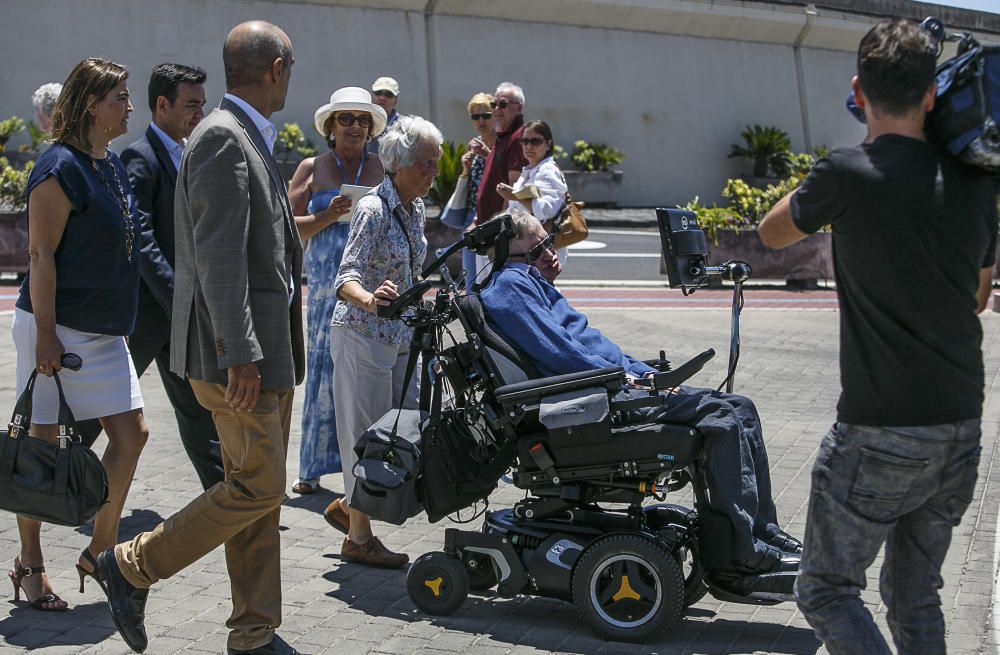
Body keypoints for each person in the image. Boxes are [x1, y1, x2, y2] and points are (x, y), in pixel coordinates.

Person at [759, 19, 997, 655]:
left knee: (826, 589)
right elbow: (977, 298)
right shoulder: (977, 184)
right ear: (930, 95)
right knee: (915, 592)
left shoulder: (846, 173)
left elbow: (771, 232)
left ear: (858, 90)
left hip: (878, 430)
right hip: (959, 426)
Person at [94, 21, 305, 655]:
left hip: (262, 353)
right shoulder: (222, 138)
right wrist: (240, 350)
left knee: (255, 496)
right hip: (239, 358)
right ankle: (130, 566)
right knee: (257, 488)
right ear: (274, 68)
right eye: (290, 67)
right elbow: (218, 258)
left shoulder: (242, 136)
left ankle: (252, 631)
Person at [479, 210, 802, 599]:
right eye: (540, 248)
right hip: (590, 403)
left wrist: (644, 375)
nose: (552, 252)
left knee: (740, 406)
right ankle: (744, 554)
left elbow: (598, 348)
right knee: (722, 415)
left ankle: (761, 533)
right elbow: (562, 355)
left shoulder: (533, 283)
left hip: (609, 388)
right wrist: (629, 381)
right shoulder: (510, 287)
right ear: (510, 253)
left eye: (551, 242)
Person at [9, 58, 146, 612]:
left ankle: (101, 549)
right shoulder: (58, 167)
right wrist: (46, 337)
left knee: (132, 435)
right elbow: (41, 257)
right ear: (92, 104)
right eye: (121, 97)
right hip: (55, 328)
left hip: (105, 334)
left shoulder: (108, 163)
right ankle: (30, 563)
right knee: (40, 453)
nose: (129, 106)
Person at [75, 63, 225, 491]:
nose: (200, 114)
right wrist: (181, 297)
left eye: (202, 104)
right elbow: (140, 239)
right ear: (162, 105)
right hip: (145, 316)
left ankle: (228, 501)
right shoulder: (140, 157)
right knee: (94, 416)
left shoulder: (186, 151)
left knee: (199, 415)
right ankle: (48, 484)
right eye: (191, 104)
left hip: (173, 319)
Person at [325, 115, 441, 568]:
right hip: (361, 333)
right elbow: (344, 278)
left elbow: (411, 271)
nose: (434, 171)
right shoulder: (373, 210)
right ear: (401, 165)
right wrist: (371, 299)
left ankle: (348, 505)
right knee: (364, 436)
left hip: (399, 336)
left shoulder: (414, 209)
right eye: (427, 164)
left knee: (400, 425)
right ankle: (357, 537)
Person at [287, 87, 387, 495]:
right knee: (324, 373)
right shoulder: (312, 167)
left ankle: (365, 464)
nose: (355, 127)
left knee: (364, 373)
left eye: (362, 120)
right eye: (346, 119)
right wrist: (325, 215)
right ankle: (311, 467)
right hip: (328, 288)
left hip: (367, 283)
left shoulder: (380, 168)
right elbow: (288, 225)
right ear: (331, 127)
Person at [439, 92, 496, 288]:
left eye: (486, 115)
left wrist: (487, 155)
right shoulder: (474, 144)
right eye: (476, 117)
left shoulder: (500, 144)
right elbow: (471, 183)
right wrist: (465, 168)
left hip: (493, 214)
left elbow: (501, 175)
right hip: (472, 214)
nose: (481, 121)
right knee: (470, 273)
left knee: (489, 272)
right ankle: (473, 311)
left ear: (495, 115)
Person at [497, 120, 570, 267]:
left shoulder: (548, 171)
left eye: (535, 141)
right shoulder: (530, 170)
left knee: (540, 288)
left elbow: (547, 210)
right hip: (528, 248)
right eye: (525, 141)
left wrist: (515, 195)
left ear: (548, 144)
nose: (529, 146)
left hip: (543, 251)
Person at [365, 76, 401, 158]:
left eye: (388, 95)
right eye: (378, 93)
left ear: (395, 100)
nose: (382, 98)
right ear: (372, 95)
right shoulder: (360, 122)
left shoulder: (404, 127)